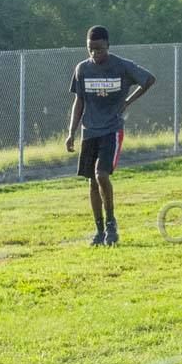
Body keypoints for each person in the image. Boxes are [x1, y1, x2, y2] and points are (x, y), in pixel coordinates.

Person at [65, 26, 157, 246]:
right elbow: (79, 102)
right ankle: (99, 231)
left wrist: (127, 102)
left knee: (101, 175)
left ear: (107, 44)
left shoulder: (121, 66)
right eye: (90, 49)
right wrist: (71, 133)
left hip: (112, 130)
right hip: (90, 131)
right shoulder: (82, 69)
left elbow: (149, 80)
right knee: (91, 181)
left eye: (98, 49)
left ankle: (111, 224)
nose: (95, 53)